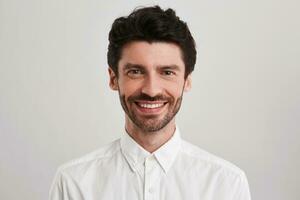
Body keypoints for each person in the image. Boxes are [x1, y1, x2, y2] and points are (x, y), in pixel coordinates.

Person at [49, 5, 251, 200]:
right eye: (135, 72)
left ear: (186, 80)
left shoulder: (226, 184)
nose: (151, 90)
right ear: (113, 78)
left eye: (167, 72)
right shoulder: (73, 183)